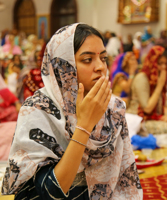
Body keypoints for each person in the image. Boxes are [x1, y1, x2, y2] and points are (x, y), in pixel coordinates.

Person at [1, 23, 142, 200]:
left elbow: (125, 181)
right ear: (63, 66)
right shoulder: (38, 108)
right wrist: (84, 125)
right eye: (87, 60)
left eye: (103, 58)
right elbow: (50, 193)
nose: (100, 67)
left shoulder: (113, 108)